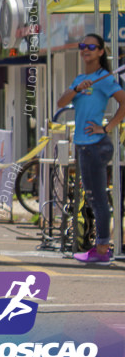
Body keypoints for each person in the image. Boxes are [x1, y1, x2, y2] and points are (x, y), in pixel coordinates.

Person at [56, 34, 125, 264]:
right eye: (82, 46)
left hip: (96, 146)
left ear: (100, 52)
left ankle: (103, 249)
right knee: (93, 197)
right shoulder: (81, 78)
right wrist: (76, 88)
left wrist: (106, 128)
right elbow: (61, 103)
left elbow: (124, 101)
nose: (85, 50)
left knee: (97, 199)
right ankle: (101, 246)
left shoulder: (103, 78)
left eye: (91, 47)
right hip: (83, 146)